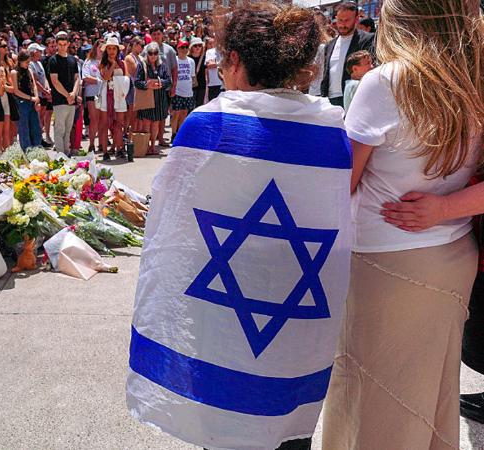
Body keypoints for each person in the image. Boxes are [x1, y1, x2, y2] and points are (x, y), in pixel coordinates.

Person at [128, 6, 350, 450]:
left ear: (232, 61)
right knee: (287, 427)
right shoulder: (331, 129)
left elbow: (170, 231)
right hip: (294, 305)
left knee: (227, 427)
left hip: (226, 310)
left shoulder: (211, 124)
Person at [321, 0, 484, 448]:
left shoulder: (386, 82)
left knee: (373, 397)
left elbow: (342, 183)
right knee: (432, 391)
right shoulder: (474, 77)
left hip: (385, 258)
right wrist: (445, 209)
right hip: (453, 253)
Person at [320, 1, 375, 107]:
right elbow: (326, 73)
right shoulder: (330, 45)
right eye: (340, 20)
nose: (343, 24)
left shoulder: (367, 39)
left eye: (347, 20)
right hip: (329, 100)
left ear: (356, 19)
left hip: (353, 98)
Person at [134, 42, 171, 156]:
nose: (153, 55)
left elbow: (168, 80)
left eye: (155, 53)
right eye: (151, 53)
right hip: (147, 98)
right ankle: (145, 146)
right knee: (147, 122)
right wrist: (147, 85)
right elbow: (137, 82)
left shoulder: (162, 65)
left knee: (155, 123)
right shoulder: (142, 65)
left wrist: (161, 83)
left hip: (159, 98)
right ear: (147, 54)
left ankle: (153, 146)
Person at [48, 32, 80, 155]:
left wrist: (73, 94)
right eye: (60, 44)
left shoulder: (72, 60)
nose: (62, 47)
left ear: (68, 44)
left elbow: (77, 78)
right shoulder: (53, 60)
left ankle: (66, 153)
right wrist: (68, 95)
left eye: (64, 44)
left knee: (68, 129)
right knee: (60, 129)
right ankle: (60, 156)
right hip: (60, 100)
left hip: (71, 100)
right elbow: (55, 81)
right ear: (56, 44)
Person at [97, 37, 129, 160]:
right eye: (109, 48)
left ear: (117, 50)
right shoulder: (103, 63)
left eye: (113, 48)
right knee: (105, 124)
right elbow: (105, 77)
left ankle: (119, 148)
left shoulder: (123, 63)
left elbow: (126, 79)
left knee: (118, 124)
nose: (111, 51)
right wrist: (113, 65)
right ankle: (105, 151)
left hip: (120, 96)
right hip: (107, 95)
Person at [10, 50, 41, 150]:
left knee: (35, 126)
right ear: (20, 61)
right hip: (22, 102)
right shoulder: (15, 72)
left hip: (32, 101)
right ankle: (26, 149)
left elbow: (34, 85)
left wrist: (36, 98)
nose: (28, 64)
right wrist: (30, 98)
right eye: (26, 62)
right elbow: (16, 90)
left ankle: (36, 148)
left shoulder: (29, 70)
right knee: (24, 128)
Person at [171, 39, 196, 138]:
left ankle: (180, 133)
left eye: (186, 47)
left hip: (188, 91)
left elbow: (192, 76)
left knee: (184, 113)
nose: (184, 49)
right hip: (177, 90)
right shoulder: (175, 60)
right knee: (176, 113)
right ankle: (173, 133)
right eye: (182, 47)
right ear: (178, 48)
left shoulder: (191, 61)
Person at [81, 41, 102, 153]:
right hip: (92, 94)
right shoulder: (89, 61)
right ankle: (92, 144)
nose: (102, 49)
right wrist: (100, 81)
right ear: (96, 47)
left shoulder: (107, 61)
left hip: (104, 94)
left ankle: (102, 144)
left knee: (103, 120)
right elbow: (85, 77)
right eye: (100, 46)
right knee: (94, 119)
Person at [124, 37, 144, 134]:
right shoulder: (129, 57)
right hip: (132, 88)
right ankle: (127, 134)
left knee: (137, 115)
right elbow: (137, 72)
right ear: (135, 45)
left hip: (140, 88)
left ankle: (134, 135)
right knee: (131, 113)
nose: (143, 48)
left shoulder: (140, 57)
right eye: (141, 45)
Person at [40, 37, 57, 146]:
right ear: (46, 47)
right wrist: (46, 91)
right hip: (46, 90)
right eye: (51, 46)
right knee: (44, 113)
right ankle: (43, 135)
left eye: (55, 46)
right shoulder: (43, 60)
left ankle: (49, 135)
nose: (54, 48)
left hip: (56, 89)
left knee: (51, 113)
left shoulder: (57, 58)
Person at [188, 38, 207, 108]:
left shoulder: (205, 57)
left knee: (200, 105)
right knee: (191, 106)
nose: (198, 47)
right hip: (191, 85)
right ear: (191, 47)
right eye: (195, 46)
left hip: (202, 85)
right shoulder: (188, 58)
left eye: (200, 45)